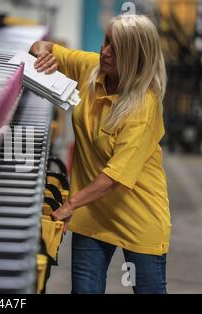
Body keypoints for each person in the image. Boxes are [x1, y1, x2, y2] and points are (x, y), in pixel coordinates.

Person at [30, 14, 171, 294]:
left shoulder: (143, 107)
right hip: (92, 211)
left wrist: (69, 206)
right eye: (107, 41)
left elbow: (114, 177)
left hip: (137, 215)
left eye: (116, 48)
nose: (105, 51)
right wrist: (42, 54)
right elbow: (42, 46)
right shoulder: (92, 69)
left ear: (134, 57)